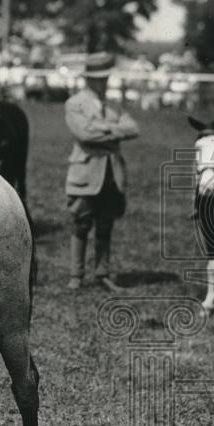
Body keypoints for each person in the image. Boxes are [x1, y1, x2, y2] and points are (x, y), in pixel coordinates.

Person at [64, 52, 140, 291]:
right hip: (86, 170)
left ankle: (102, 273)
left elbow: (134, 128)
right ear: (88, 79)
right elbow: (83, 134)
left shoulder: (114, 105)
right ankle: (76, 275)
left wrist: (102, 128)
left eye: (105, 78)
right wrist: (115, 131)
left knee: (106, 223)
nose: (103, 82)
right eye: (98, 78)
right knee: (81, 222)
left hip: (112, 172)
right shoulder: (74, 103)